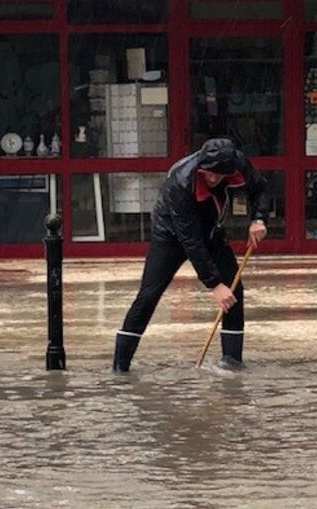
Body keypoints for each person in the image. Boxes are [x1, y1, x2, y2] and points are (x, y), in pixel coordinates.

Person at [112, 137, 271, 372]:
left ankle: (232, 361)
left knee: (234, 289)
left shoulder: (237, 162)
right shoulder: (180, 182)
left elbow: (260, 188)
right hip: (171, 233)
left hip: (211, 229)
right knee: (148, 295)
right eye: (210, 174)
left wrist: (259, 219)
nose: (214, 179)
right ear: (201, 166)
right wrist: (214, 284)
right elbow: (191, 241)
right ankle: (120, 366)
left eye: (220, 175)